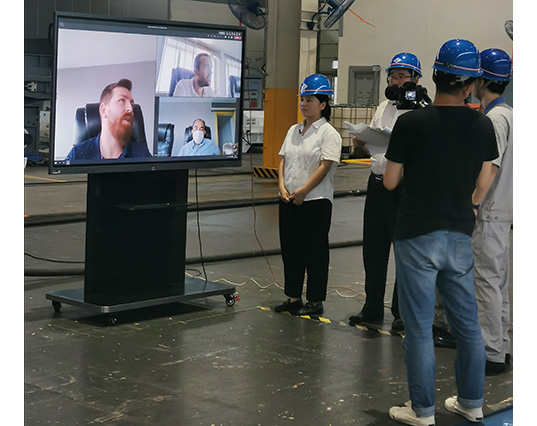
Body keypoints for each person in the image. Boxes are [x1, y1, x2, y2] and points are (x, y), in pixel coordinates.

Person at [384, 39, 498, 425]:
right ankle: (471, 402)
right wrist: (471, 203)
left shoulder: (410, 123)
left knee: (418, 328)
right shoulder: (482, 124)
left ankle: (422, 411)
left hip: (416, 231)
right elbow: (485, 177)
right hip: (459, 232)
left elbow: (390, 181)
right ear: (471, 84)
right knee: (467, 326)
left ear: (433, 77)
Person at [348, 52, 424, 332]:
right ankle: (372, 307)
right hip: (377, 183)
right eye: (392, 76)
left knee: (403, 250)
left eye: (402, 76)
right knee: (374, 248)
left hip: (405, 188)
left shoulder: (420, 111)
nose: (395, 81)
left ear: (416, 80)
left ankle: (401, 311)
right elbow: (376, 141)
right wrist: (363, 141)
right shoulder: (383, 107)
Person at [274, 74, 342, 316]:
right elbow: (283, 159)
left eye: (309, 100)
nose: (303, 104)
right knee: (291, 250)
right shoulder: (293, 130)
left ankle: (315, 300)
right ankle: (293, 297)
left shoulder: (328, 133)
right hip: (289, 199)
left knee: (315, 252)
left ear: (323, 104)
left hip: (315, 201)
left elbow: (325, 165)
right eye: (302, 99)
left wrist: (304, 191)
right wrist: (282, 187)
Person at [472, 48, 513, 375]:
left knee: (486, 283)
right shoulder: (511, 114)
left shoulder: (494, 119)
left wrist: (473, 202)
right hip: (506, 211)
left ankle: (491, 353)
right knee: (499, 283)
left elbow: (491, 165)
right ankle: (503, 345)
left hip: (490, 212)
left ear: (482, 80)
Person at [66, 79, 151, 161]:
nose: (130, 109)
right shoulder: (78, 154)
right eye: (122, 100)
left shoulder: (142, 154)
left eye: (132, 104)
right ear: (103, 110)